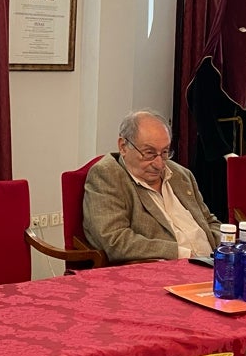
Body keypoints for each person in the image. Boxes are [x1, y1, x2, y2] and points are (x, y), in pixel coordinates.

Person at [83, 110, 221, 262]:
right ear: (123, 146)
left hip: (213, 265)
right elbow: (115, 240)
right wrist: (182, 254)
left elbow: (208, 220)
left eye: (165, 152)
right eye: (149, 153)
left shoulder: (181, 174)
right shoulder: (107, 176)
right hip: (165, 272)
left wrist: (224, 249)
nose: (159, 164)